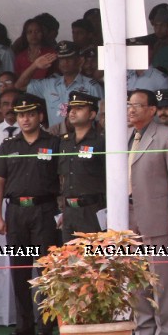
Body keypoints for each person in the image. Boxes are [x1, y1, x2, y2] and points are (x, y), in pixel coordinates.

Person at [0, 93, 60, 335]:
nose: (26, 119)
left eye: (31, 114)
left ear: (40, 116)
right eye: (21, 115)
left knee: (46, 269)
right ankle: (24, 324)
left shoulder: (53, 142)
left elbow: (64, 178)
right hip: (16, 212)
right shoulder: (9, 145)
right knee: (19, 269)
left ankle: (46, 323)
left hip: (45, 210)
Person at [126, 88, 168, 335]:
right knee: (136, 278)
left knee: (162, 280)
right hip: (128, 215)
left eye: (137, 105)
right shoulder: (125, 136)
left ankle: (165, 331)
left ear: (152, 110)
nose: (131, 109)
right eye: (129, 105)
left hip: (159, 217)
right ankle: (144, 329)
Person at [17, 41, 104, 127]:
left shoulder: (92, 86)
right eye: (61, 59)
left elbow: (101, 118)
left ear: (80, 61)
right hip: (55, 139)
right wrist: (35, 65)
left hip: (83, 139)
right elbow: (20, 85)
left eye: (69, 58)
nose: (65, 62)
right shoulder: (49, 84)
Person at [59, 91, 105, 240]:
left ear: (92, 115)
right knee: (70, 260)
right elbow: (62, 177)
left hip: (92, 209)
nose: (72, 112)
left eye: (79, 108)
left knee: (93, 260)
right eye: (71, 108)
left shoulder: (100, 142)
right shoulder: (64, 142)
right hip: (69, 211)